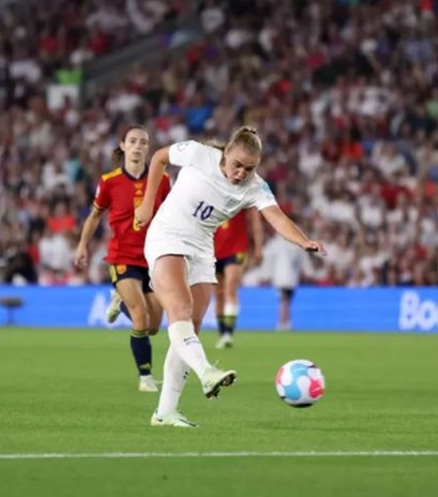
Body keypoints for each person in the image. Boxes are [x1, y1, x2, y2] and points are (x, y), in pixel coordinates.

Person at [134, 126, 326, 428]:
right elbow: (159, 158)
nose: (241, 173)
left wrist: (303, 241)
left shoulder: (255, 187)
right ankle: (207, 372)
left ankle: (165, 413)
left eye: (249, 168)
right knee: (180, 311)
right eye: (237, 165)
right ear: (225, 154)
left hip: (202, 247)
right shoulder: (199, 154)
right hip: (167, 235)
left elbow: (276, 216)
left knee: (191, 327)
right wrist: (147, 204)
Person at [74, 125, 172, 393]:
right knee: (140, 317)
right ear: (123, 145)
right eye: (133, 141)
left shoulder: (161, 180)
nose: (138, 146)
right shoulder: (109, 181)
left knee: (152, 327)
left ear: (148, 148)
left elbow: (171, 213)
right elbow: (94, 216)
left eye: (143, 142)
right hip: (122, 257)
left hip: (153, 258)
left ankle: (120, 300)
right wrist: (83, 245)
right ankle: (145, 377)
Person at [213, 208, 263, 349]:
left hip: (236, 247)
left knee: (230, 289)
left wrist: (258, 247)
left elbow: (255, 220)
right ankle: (222, 333)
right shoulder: (209, 189)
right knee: (219, 294)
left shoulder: (241, 191)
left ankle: (229, 332)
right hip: (212, 249)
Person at [262, 225, 312, 330]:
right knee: (285, 299)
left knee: (284, 299)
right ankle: (284, 323)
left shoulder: (274, 243)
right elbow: (304, 261)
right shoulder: (296, 243)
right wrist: (308, 272)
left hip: (280, 277)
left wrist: (266, 275)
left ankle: (283, 322)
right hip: (290, 277)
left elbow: (267, 259)